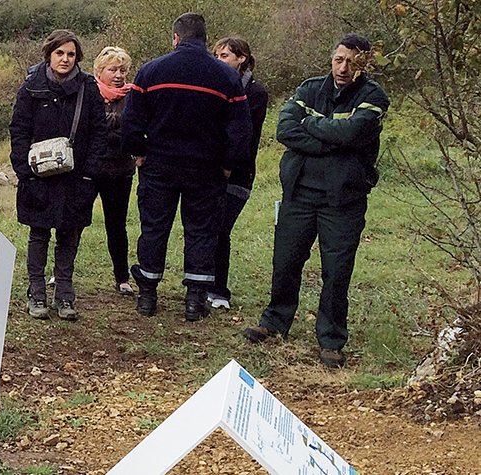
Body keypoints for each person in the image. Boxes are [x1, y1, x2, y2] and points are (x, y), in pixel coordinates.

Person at [243, 33, 388, 369]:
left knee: (336, 271)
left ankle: (331, 340)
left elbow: (353, 133)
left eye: (352, 62)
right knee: (286, 260)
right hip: (299, 193)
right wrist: (332, 138)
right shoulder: (309, 88)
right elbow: (285, 129)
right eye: (339, 59)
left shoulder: (373, 96)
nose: (343, 67)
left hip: (343, 199)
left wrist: (312, 125)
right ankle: (275, 322)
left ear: (363, 65)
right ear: (331, 58)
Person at [121, 12, 251, 322]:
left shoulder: (151, 70)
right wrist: (228, 165)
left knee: (154, 228)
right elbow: (241, 129)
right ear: (206, 40)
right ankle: (195, 300)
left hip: (159, 165)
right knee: (202, 232)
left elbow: (131, 120)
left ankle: (147, 296)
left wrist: (138, 152)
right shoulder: (227, 76)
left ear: (176, 38)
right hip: (206, 170)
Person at [9, 30, 108, 321]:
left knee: (70, 234)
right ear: (49, 54)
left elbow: (99, 133)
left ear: (78, 57)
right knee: (38, 234)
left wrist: (90, 173)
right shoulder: (30, 87)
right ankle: (36, 291)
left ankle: (64, 293)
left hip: (76, 177)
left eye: (71, 54)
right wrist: (24, 172)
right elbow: (19, 130)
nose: (65, 59)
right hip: (37, 176)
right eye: (59, 53)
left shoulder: (88, 87)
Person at [208, 36, 270, 310]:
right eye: (217, 55)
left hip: (239, 172)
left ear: (241, 58)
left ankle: (219, 288)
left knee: (222, 228)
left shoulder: (256, 93)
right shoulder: (214, 85)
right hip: (209, 170)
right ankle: (203, 283)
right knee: (207, 227)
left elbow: (242, 132)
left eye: (224, 56)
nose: (218, 61)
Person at [92, 46, 138, 297]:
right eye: (113, 69)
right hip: (91, 169)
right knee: (75, 221)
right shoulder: (88, 93)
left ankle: (122, 277)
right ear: (100, 71)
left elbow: (131, 129)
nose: (119, 75)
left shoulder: (133, 96)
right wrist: (113, 126)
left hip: (120, 170)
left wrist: (107, 127)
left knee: (117, 226)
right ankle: (61, 274)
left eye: (122, 70)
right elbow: (89, 129)